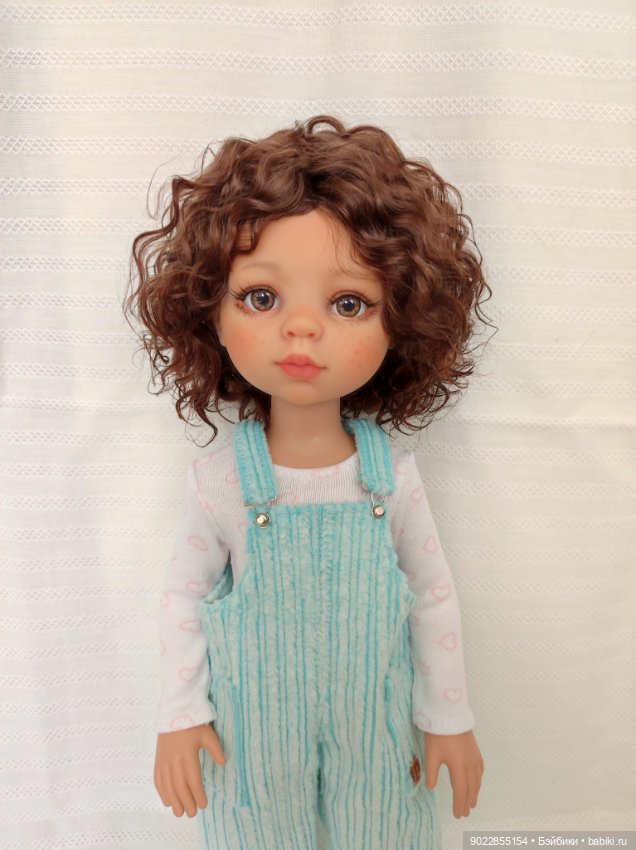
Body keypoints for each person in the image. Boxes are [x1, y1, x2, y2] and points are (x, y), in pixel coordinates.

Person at [123, 114, 492, 849]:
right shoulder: (221, 486)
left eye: (347, 303)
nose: (301, 329)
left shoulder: (392, 481)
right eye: (261, 298)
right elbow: (183, 598)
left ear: (402, 320)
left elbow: (432, 597)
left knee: (388, 831)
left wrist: (447, 718)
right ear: (208, 308)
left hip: (376, 722)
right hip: (252, 734)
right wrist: (181, 717)